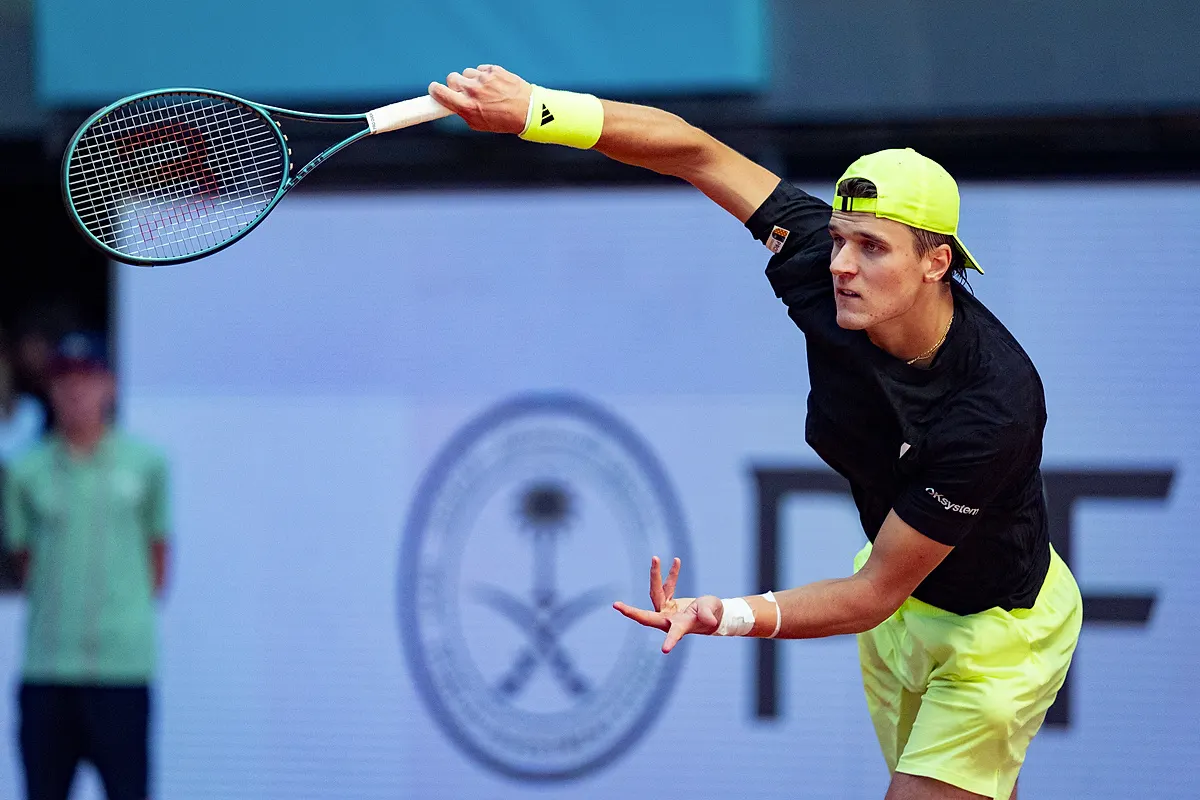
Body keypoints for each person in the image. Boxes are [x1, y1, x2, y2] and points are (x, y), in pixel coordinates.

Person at [427, 66, 1083, 800]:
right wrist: (536, 110)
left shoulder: (993, 407)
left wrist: (724, 615)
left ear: (937, 262)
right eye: (839, 239)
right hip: (902, 618)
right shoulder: (824, 268)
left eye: (872, 247)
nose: (841, 265)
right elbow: (695, 151)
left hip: (996, 634)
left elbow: (871, 592)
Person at [2, 331, 170, 800]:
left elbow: (158, 560)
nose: (76, 392)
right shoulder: (25, 470)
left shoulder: (146, 464)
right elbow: (25, 561)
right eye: (64, 381)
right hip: (47, 670)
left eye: (87, 379)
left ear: (109, 387)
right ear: (50, 390)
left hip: (122, 670)